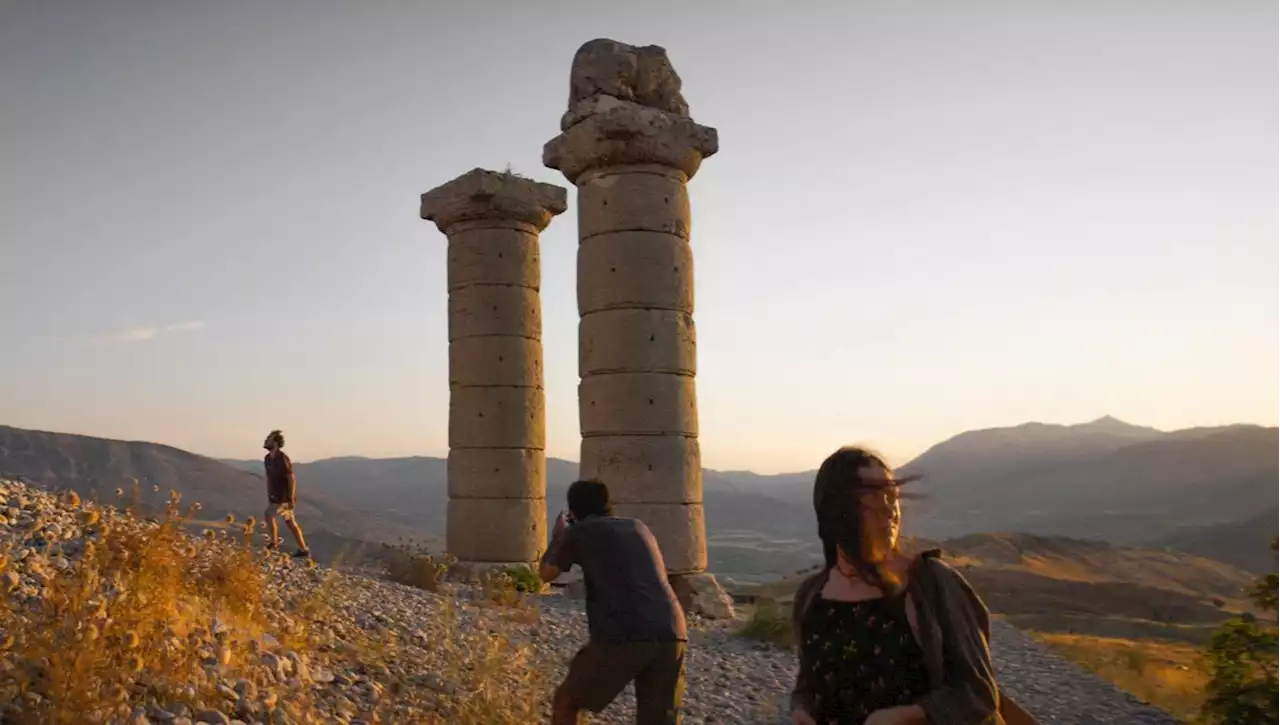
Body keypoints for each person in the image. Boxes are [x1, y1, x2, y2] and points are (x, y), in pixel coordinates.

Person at [789, 446, 1038, 725]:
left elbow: (977, 692)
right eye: (871, 497)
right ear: (835, 511)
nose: (888, 510)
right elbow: (809, 683)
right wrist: (801, 709)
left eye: (891, 497)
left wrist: (910, 715)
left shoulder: (930, 584)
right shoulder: (812, 596)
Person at [538, 479, 687, 725]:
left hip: (625, 633)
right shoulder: (638, 527)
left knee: (567, 701)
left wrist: (558, 536)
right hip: (673, 631)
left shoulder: (580, 531)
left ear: (573, 510)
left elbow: (545, 574)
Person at [262, 429, 310, 558]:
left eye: (269, 438)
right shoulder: (267, 459)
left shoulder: (282, 458)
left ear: (276, 443)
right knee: (290, 523)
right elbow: (269, 478)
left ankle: (274, 543)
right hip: (274, 497)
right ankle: (303, 549)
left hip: (283, 498)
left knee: (268, 514)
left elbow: (291, 478)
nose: (266, 440)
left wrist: (291, 498)